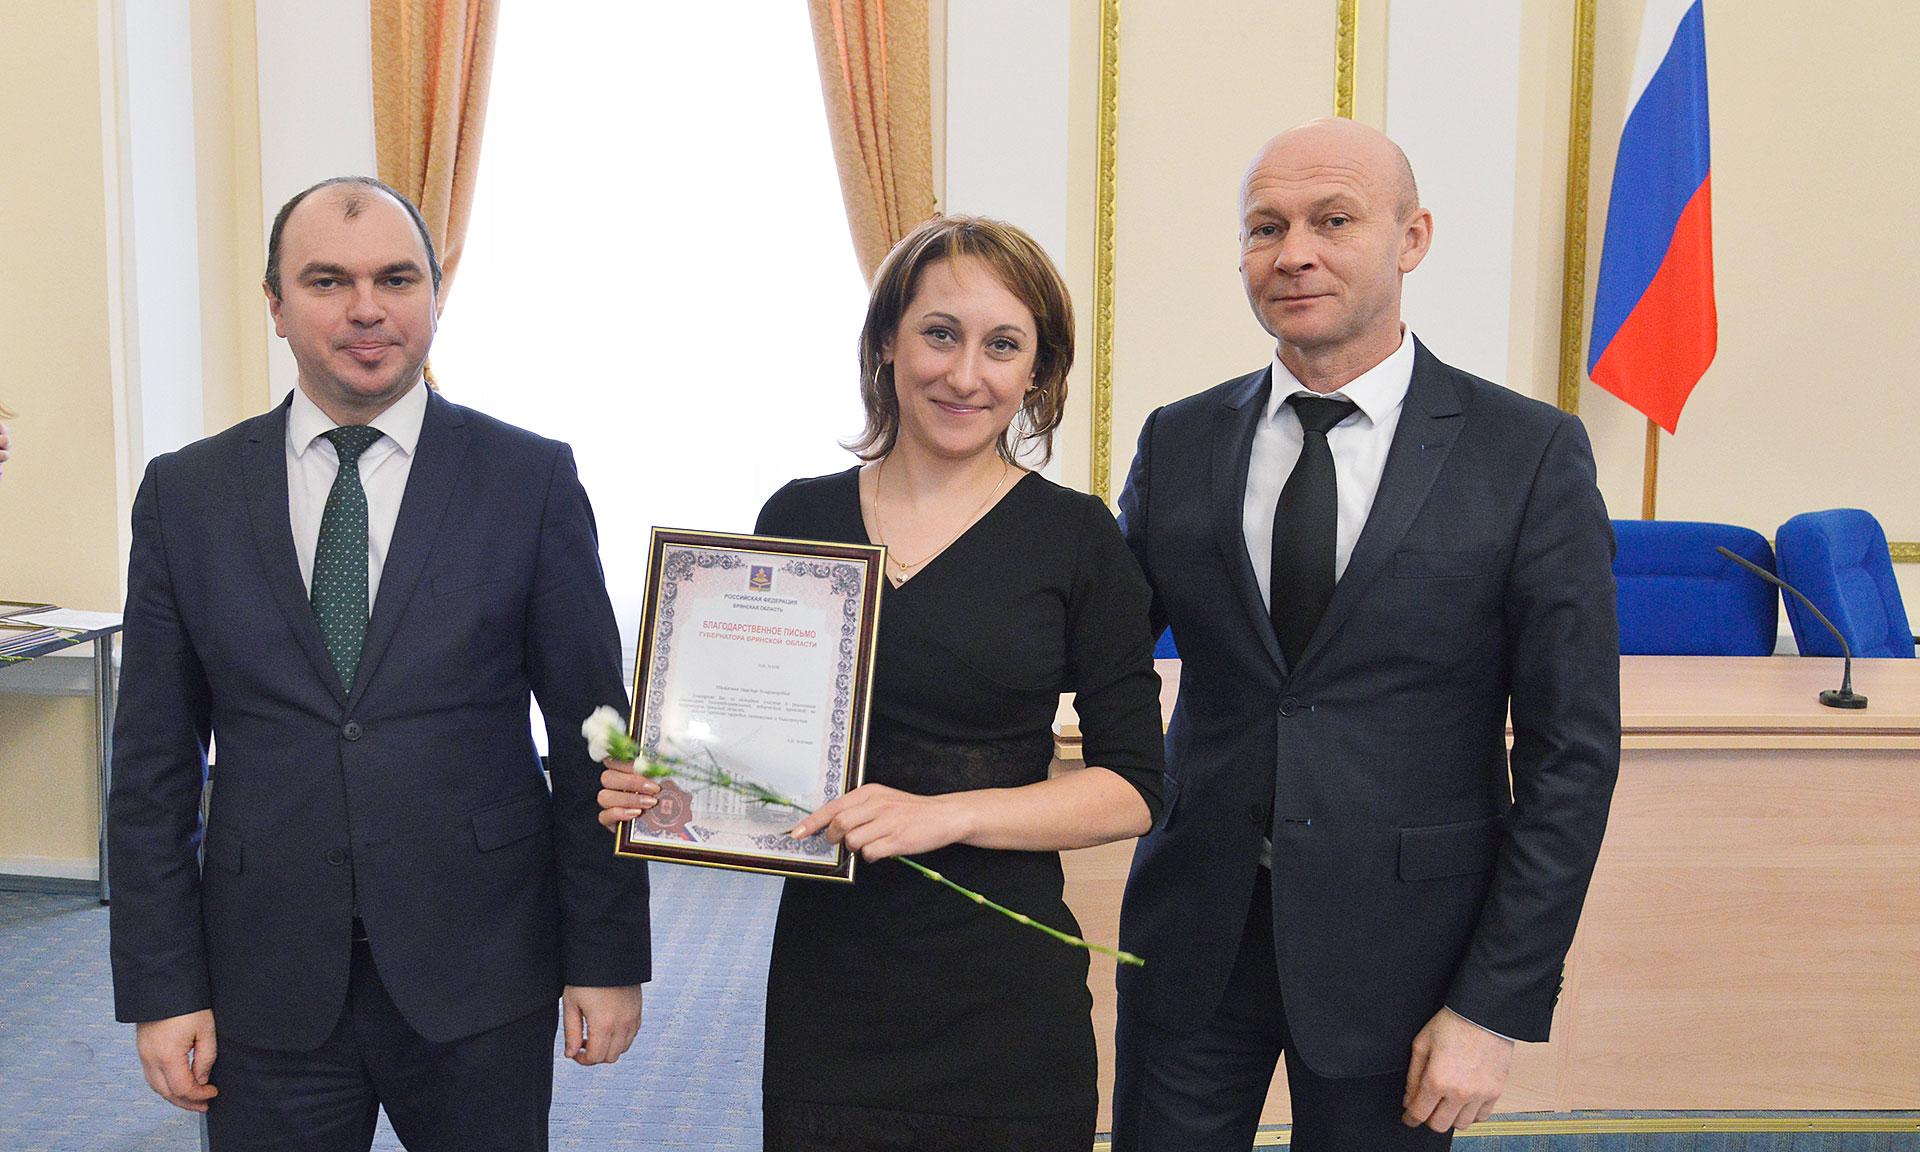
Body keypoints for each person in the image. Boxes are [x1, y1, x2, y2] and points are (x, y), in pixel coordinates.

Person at [598, 215, 1166, 1152]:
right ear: (887, 343)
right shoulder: (800, 515)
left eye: (1003, 345)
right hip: (833, 982)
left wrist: (943, 815)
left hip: (1005, 989)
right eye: (940, 333)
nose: (966, 374)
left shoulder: (1077, 537)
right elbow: (746, 748)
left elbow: (1134, 787)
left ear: (1038, 372)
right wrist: (665, 787)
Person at [108, 176, 652, 1151]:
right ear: (276, 305)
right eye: (328, 281)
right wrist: (163, 985)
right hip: (263, 975)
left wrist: (606, 957)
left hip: (482, 965)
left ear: (435, 296)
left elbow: (597, 744)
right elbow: (152, 765)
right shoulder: (186, 494)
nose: (367, 308)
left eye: (396, 279)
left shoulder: (529, 480)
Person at [1110, 118, 1620, 1151]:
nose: (1293, 253)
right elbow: (1093, 645)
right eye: (1266, 227)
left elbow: (1571, 756)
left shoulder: (1526, 454)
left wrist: (1493, 1005)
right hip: (1193, 933)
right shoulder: (1180, 438)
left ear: (1411, 238)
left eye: (1333, 220)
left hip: (1407, 962)